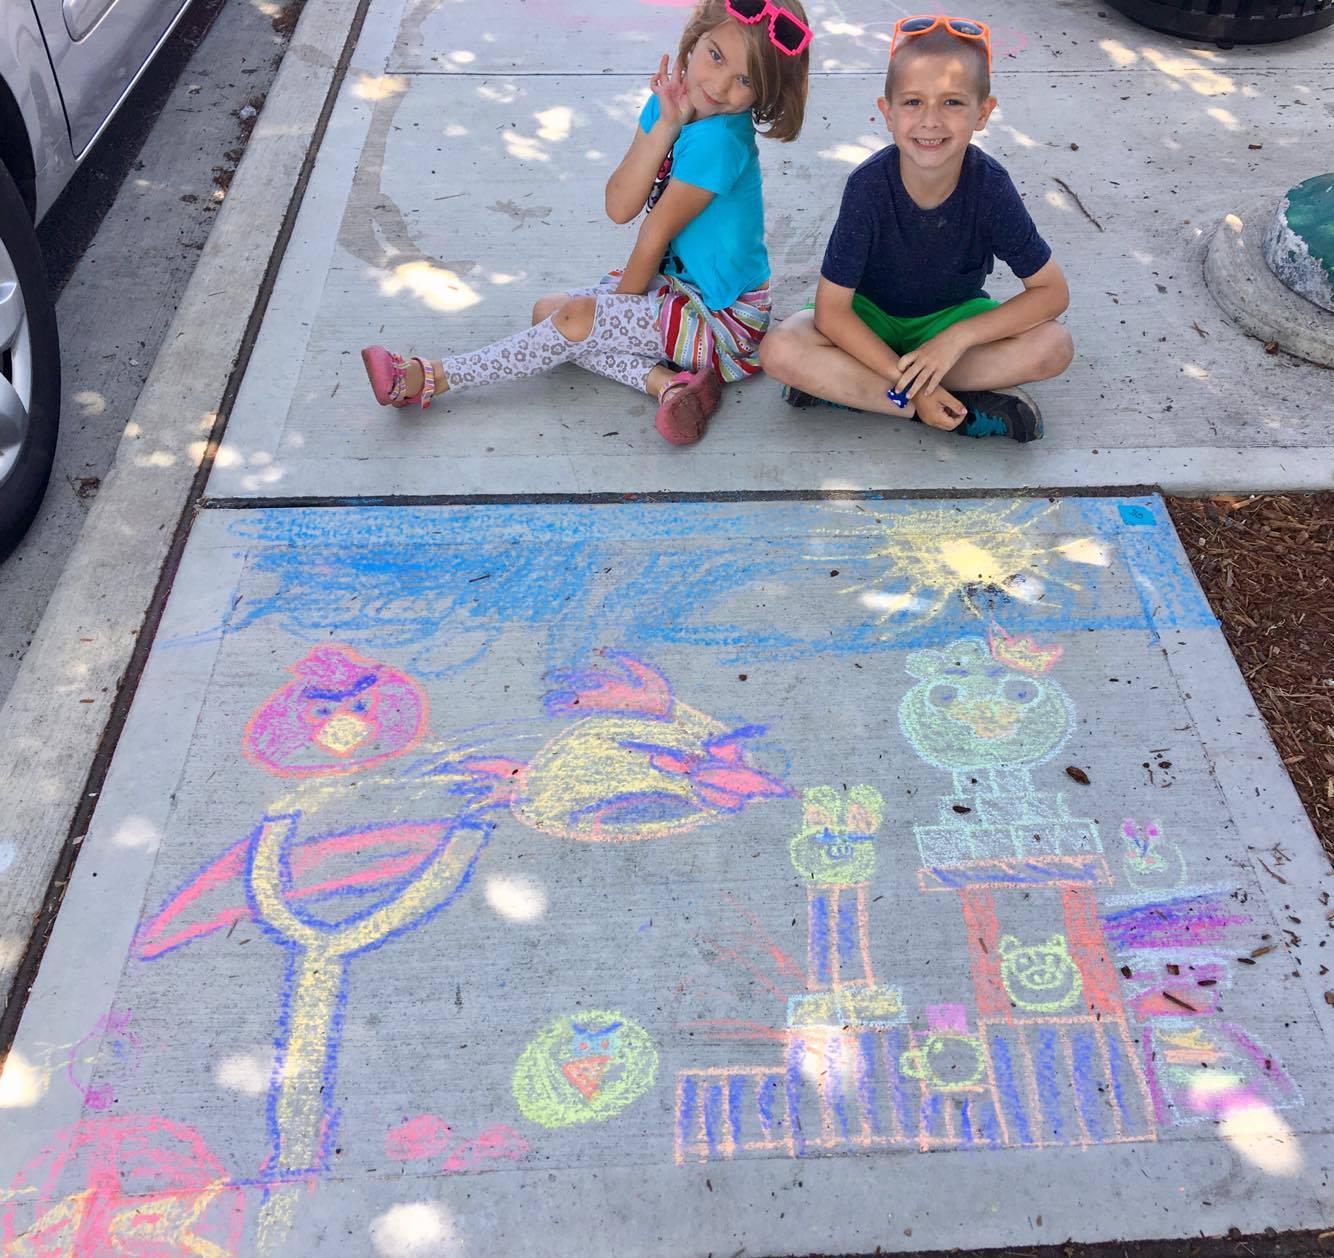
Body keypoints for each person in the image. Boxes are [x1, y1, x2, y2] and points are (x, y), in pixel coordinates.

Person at [361, 0, 811, 445]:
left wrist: (608, 318)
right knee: (549, 313)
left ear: (764, 92)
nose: (719, 83)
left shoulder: (721, 143)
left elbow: (654, 233)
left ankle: (429, 377)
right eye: (715, 56)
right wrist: (663, 130)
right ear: (695, 38)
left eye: (745, 80)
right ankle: (669, 386)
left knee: (576, 322)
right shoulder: (670, 106)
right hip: (675, 288)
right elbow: (620, 206)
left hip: (723, 318)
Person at [759, 15, 1074, 442]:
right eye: (912, 102)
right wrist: (911, 383)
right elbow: (833, 311)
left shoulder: (990, 187)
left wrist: (957, 338)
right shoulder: (868, 187)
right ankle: (931, 405)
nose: (931, 120)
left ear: (983, 112)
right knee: (780, 349)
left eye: (952, 102)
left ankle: (852, 389)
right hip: (869, 320)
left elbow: (1051, 292)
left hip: (951, 319)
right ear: (887, 113)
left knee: (1053, 346)